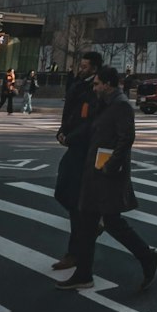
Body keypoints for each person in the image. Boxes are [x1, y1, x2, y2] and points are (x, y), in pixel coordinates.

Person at [57, 67, 157, 292]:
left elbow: (126, 139)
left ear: (108, 84)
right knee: (89, 223)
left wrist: (110, 166)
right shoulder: (104, 104)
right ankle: (84, 274)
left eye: (97, 84)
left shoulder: (121, 105)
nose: (94, 88)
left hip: (107, 176)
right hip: (95, 174)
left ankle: (148, 257)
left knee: (112, 222)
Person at [52, 49, 103, 271]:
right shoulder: (78, 83)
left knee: (74, 199)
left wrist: (69, 137)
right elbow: (69, 112)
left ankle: (75, 251)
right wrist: (61, 131)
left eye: (84, 67)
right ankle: (90, 228)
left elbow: (90, 121)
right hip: (73, 143)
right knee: (64, 193)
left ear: (94, 69)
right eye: (80, 66)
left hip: (84, 148)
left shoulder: (96, 89)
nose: (80, 69)